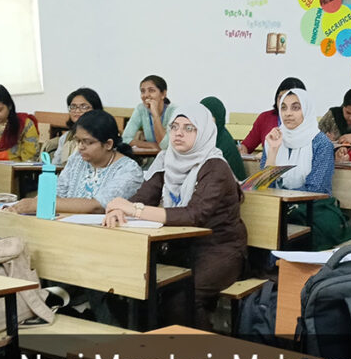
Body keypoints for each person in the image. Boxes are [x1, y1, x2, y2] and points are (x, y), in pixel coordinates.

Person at [104, 104, 247, 330]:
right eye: (174, 127)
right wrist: (119, 209)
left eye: (189, 128)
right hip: (178, 246)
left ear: (204, 132)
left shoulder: (215, 167)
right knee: (128, 286)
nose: (179, 133)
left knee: (182, 298)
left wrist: (134, 210)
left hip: (219, 249)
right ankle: (148, 344)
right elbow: (145, 195)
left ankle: (197, 350)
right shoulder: (167, 159)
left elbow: (194, 215)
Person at [262, 88, 351, 250]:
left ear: (306, 110)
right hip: (280, 206)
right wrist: (273, 150)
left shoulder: (321, 143)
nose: (288, 113)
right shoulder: (273, 139)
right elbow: (263, 185)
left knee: (290, 228)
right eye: (284, 107)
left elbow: (315, 189)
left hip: (315, 208)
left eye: (296, 108)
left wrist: (284, 202)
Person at [11, 110, 143, 215]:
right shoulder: (77, 158)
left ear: (108, 144)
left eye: (87, 142)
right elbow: (58, 191)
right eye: (78, 141)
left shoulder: (128, 170)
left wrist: (41, 204)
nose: (80, 147)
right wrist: (30, 204)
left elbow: (98, 206)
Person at [240, 77, 306, 153]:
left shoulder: (308, 122)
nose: (285, 102)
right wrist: (240, 149)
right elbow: (247, 146)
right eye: (281, 98)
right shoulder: (265, 118)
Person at [48, 87, 103, 164]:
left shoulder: (102, 136)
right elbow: (56, 163)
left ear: (96, 109)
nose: (77, 111)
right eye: (73, 107)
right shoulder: (66, 137)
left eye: (83, 106)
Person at [121, 75, 175, 151]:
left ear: (163, 94)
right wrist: (151, 145)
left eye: (151, 90)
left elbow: (165, 145)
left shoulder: (174, 111)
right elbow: (125, 139)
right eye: (143, 91)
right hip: (151, 155)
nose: (146, 95)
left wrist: (155, 113)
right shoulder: (141, 109)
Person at [200, 96, 247, 181]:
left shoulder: (225, 144)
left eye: (209, 116)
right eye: (202, 116)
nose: (204, 120)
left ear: (218, 118)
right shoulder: (202, 137)